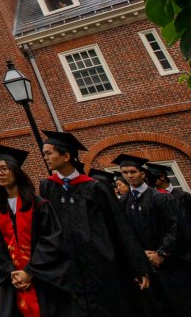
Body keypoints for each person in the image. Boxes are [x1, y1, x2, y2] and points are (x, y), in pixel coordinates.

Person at [39, 132, 150, 317]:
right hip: (67, 266)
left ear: (66, 156)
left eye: (49, 153)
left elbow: (118, 225)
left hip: (99, 264)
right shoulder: (47, 186)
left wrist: (137, 266)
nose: (45, 157)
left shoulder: (94, 187)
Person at [0, 144, 70, 317]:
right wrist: (12, 273)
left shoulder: (38, 204)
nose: (0, 173)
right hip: (13, 280)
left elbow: (51, 240)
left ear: (16, 170)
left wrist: (29, 272)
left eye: (4, 168)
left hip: (41, 279)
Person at [113, 154, 191, 313]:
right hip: (147, 265)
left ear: (142, 174)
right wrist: (140, 255)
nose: (129, 176)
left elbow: (176, 228)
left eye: (133, 172)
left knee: (184, 305)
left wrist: (162, 253)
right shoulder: (124, 203)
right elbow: (126, 234)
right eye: (125, 172)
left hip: (172, 263)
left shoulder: (161, 198)